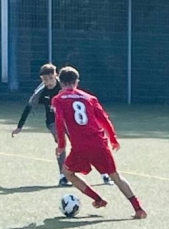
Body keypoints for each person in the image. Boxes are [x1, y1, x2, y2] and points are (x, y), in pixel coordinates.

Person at [51, 67, 146, 218]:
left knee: (68, 173)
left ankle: (98, 199)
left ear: (60, 82)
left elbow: (59, 122)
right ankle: (138, 209)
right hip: (99, 143)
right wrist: (113, 138)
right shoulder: (89, 98)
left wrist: (61, 145)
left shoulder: (58, 99)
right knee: (115, 176)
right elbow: (103, 119)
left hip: (80, 147)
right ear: (77, 82)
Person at [12, 63, 112, 186]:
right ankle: (63, 176)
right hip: (53, 121)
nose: (48, 82)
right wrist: (19, 127)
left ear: (56, 75)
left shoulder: (65, 85)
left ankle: (104, 173)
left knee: (83, 144)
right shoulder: (41, 91)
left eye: (50, 78)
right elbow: (29, 107)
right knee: (61, 145)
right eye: (44, 79)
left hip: (70, 121)